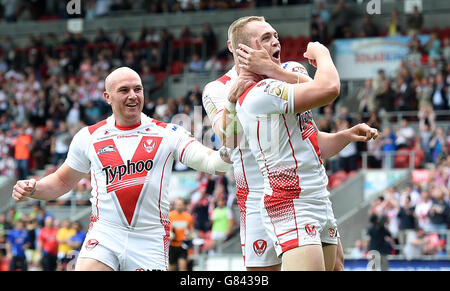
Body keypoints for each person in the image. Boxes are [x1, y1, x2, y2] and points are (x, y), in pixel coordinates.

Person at [11, 67, 232, 271]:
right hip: (106, 233)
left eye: (138, 89)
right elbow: (61, 182)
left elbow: (209, 161)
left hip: (150, 238)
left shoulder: (168, 133)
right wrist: (33, 188)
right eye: (124, 90)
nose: (133, 96)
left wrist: (228, 151)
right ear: (107, 97)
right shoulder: (88, 137)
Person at [230, 16, 378, 271]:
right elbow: (329, 88)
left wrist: (345, 136)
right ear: (246, 52)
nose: (275, 41)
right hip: (289, 201)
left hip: (318, 195)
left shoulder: (286, 75)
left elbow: (311, 141)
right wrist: (322, 53)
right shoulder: (258, 93)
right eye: (265, 38)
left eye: (275, 35)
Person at [168, 198, 195, 271]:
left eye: (180, 204)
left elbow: (191, 230)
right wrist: (169, 235)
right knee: (172, 267)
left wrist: (191, 237)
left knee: (182, 267)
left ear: (184, 205)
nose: (179, 206)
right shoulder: (170, 215)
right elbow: (168, 230)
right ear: (175, 206)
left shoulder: (188, 216)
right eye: (177, 204)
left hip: (183, 245)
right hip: (173, 245)